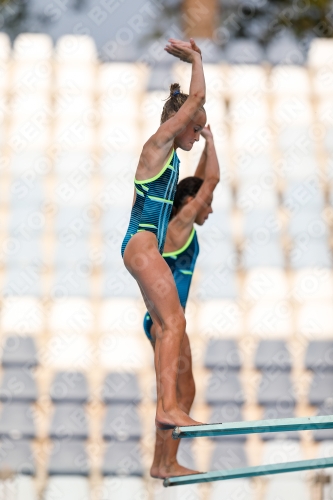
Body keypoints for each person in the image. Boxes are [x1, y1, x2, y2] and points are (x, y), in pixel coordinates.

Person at [122, 37, 206, 434]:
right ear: (182, 122)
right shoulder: (158, 145)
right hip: (141, 243)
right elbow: (197, 97)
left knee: (166, 325)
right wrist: (196, 59)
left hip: (141, 246)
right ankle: (167, 407)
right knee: (174, 323)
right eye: (197, 128)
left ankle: (165, 443)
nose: (198, 134)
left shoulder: (171, 157)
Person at [143, 125, 220, 478]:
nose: (210, 210)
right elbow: (212, 180)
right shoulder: (179, 226)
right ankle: (165, 462)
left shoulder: (181, 222)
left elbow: (202, 180)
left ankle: (163, 462)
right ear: (190, 203)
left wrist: (203, 146)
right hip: (164, 320)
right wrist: (214, 142)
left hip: (162, 319)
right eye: (206, 204)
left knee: (179, 390)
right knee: (180, 393)